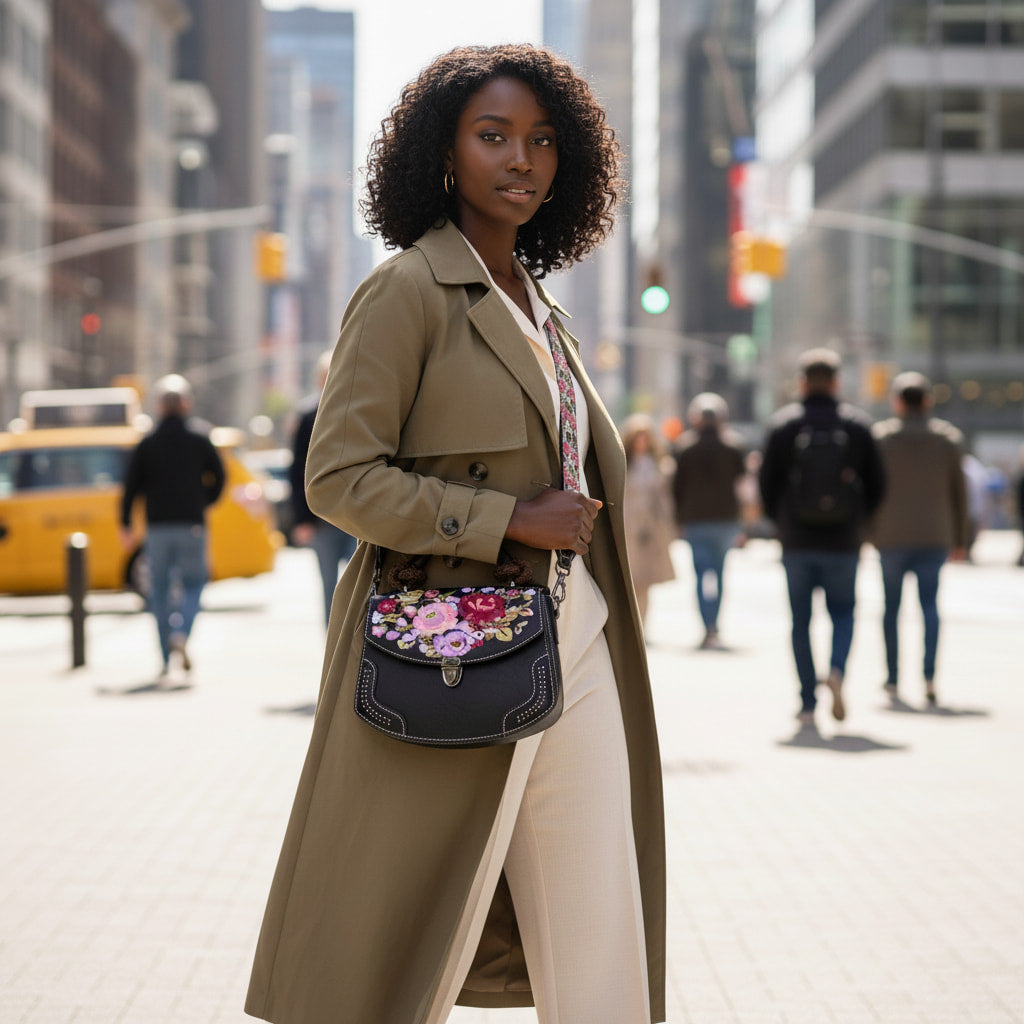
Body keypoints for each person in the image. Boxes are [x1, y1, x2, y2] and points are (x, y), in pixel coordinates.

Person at [245, 45, 665, 1024]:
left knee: (600, 926)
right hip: (451, 646)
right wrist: (505, 517)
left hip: (579, 636)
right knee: (407, 937)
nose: (522, 159)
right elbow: (337, 477)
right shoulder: (406, 292)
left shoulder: (543, 309)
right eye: (493, 136)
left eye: (542, 140)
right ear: (443, 153)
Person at [758, 349, 886, 725]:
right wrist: (860, 520)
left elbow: (766, 484)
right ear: (836, 382)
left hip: (797, 540)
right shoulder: (857, 425)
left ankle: (807, 703)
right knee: (843, 613)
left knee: (800, 622)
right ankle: (837, 671)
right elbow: (878, 484)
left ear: (802, 383)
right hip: (843, 541)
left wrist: (781, 521)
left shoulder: (784, 425)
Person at [870, 372, 969, 705]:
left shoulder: (882, 439)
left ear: (897, 402)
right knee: (929, 607)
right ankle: (928, 677)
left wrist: (869, 531)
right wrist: (961, 539)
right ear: (927, 401)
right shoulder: (947, 440)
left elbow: (869, 489)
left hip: (890, 535)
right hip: (934, 534)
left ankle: (892, 678)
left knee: (891, 609)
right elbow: (960, 493)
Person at [119, 374, 225, 682]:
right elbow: (220, 478)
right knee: (194, 583)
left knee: (160, 591)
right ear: (186, 403)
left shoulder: (148, 442)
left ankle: (166, 657)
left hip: (158, 528)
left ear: (159, 406)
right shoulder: (201, 438)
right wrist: (204, 501)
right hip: (192, 525)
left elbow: (130, 487)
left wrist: (126, 524)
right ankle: (181, 632)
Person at [671, 392, 746, 649]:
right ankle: (714, 625)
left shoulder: (685, 448)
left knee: (702, 575)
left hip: (696, 520)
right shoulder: (733, 446)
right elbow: (742, 485)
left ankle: (707, 625)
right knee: (720, 574)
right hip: (725, 519)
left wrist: (678, 519)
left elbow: (677, 488)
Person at [288, 349, 357, 625]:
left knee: (359, 583)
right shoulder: (308, 416)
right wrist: (302, 519)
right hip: (322, 517)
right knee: (329, 583)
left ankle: (357, 639)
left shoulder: (358, 409)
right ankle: (333, 638)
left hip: (357, 514)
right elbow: (298, 470)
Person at [620, 413, 676, 627]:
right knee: (628, 579)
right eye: (638, 437)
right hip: (627, 526)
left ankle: (641, 624)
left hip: (651, 528)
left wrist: (668, 527)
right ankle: (629, 624)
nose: (642, 442)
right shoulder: (623, 464)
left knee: (644, 581)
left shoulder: (661, 465)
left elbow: (665, 499)